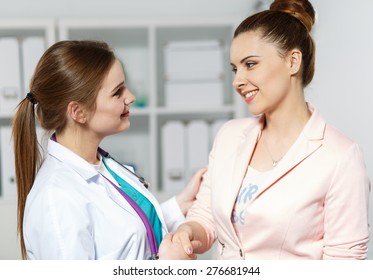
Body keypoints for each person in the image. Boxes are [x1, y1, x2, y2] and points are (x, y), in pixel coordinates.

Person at [172, 0, 371, 259]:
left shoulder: (340, 156)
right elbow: (206, 216)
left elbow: (344, 266)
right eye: (235, 69)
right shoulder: (229, 136)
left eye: (250, 64)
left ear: (292, 62)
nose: (237, 81)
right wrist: (187, 232)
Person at [12, 40, 204, 260]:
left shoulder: (100, 164)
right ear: (78, 112)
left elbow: (127, 239)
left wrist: (179, 205)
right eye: (117, 92)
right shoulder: (56, 200)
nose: (130, 97)